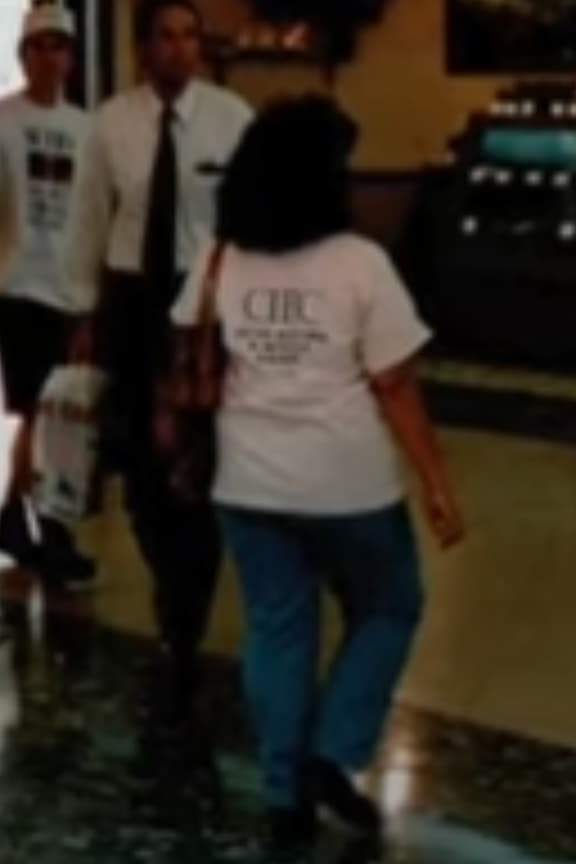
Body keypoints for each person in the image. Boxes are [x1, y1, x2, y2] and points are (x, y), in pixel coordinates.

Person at [171, 97, 464, 848]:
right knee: (390, 604)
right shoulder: (359, 263)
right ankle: (332, 753)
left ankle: (282, 791)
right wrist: (436, 481)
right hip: (349, 485)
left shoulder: (221, 258)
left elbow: (189, 349)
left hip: (248, 482)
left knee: (278, 628)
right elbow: (395, 384)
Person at [68, 0, 253, 706]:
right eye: (166, 36)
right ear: (145, 47)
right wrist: (83, 315)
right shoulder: (110, 124)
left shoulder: (231, 119)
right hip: (134, 301)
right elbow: (89, 221)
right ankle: (168, 580)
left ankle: (187, 612)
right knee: (141, 465)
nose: (179, 47)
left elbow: (247, 220)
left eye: (189, 35)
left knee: (199, 461)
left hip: (206, 308)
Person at [0, 1, 95, 585]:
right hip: (13, 286)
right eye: (38, 46)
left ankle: (15, 516)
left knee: (44, 412)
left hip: (69, 286)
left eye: (59, 46)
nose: (49, 57)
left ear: (71, 58)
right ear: (22, 55)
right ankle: (50, 528)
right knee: (42, 408)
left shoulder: (86, 130)